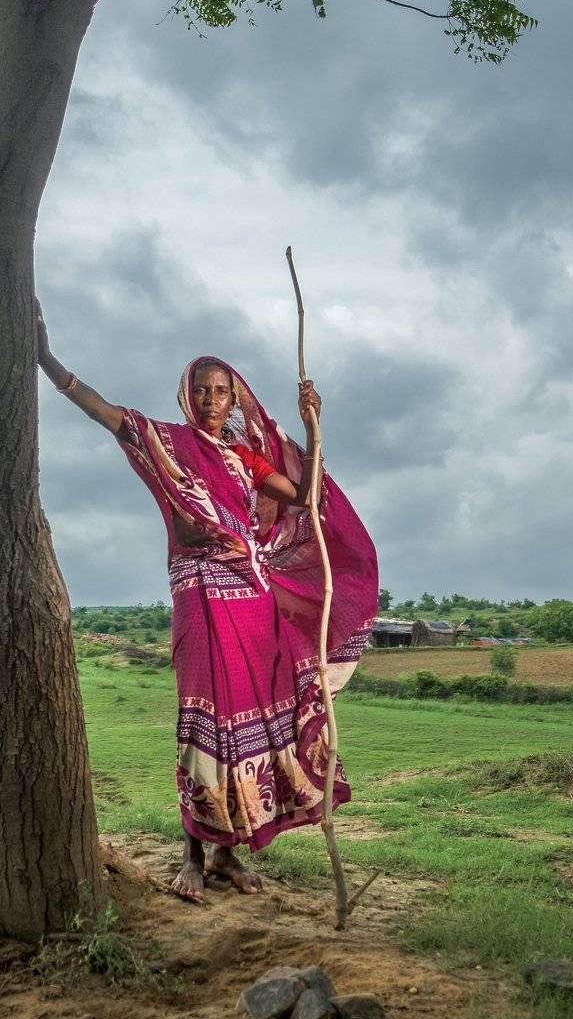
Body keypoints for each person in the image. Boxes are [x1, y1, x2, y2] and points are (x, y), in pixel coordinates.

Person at [36, 303, 378, 903]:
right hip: (199, 594)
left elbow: (304, 495)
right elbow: (104, 412)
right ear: (186, 395)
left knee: (250, 723)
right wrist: (47, 360)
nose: (212, 400)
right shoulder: (165, 443)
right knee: (203, 722)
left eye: (222, 391)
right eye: (202, 390)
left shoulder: (244, 458)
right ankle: (191, 855)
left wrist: (312, 427)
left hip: (254, 599)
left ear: (235, 398)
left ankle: (225, 854)